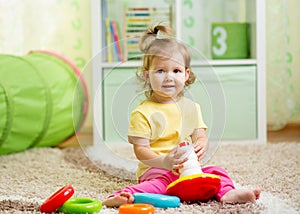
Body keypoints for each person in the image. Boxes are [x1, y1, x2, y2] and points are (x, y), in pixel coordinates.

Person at [102, 24, 261, 207]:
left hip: (188, 171)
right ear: (147, 75)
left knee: (217, 172)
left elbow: (200, 135)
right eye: (160, 71)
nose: (169, 77)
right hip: (158, 171)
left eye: (176, 71)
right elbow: (141, 151)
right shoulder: (142, 112)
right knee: (155, 185)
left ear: (186, 75)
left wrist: (202, 143)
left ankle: (227, 193)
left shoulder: (192, 108)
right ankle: (122, 196)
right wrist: (164, 161)